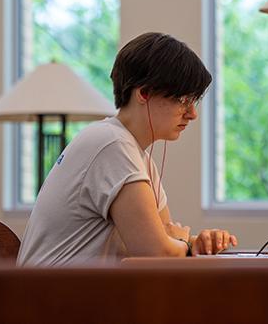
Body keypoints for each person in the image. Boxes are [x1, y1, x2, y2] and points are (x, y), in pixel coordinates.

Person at [18, 32, 237, 265]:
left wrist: (195, 243)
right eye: (183, 100)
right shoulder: (112, 145)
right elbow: (158, 255)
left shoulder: (135, 155)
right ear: (144, 93)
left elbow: (166, 240)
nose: (192, 114)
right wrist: (184, 244)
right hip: (47, 298)